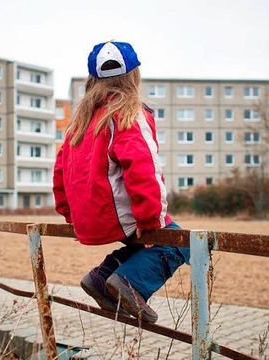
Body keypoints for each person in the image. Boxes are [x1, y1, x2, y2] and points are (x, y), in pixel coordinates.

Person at [53, 40, 189, 323]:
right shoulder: (127, 112)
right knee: (178, 241)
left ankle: (102, 278)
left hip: (88, 219)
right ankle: (130, 284)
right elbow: (144, 169)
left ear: (92, 79)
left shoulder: (79, 122)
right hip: (117, 214)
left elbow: (60, 173)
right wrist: (152, 222)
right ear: (134, 75)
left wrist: (70, 215)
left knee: (141, 245)